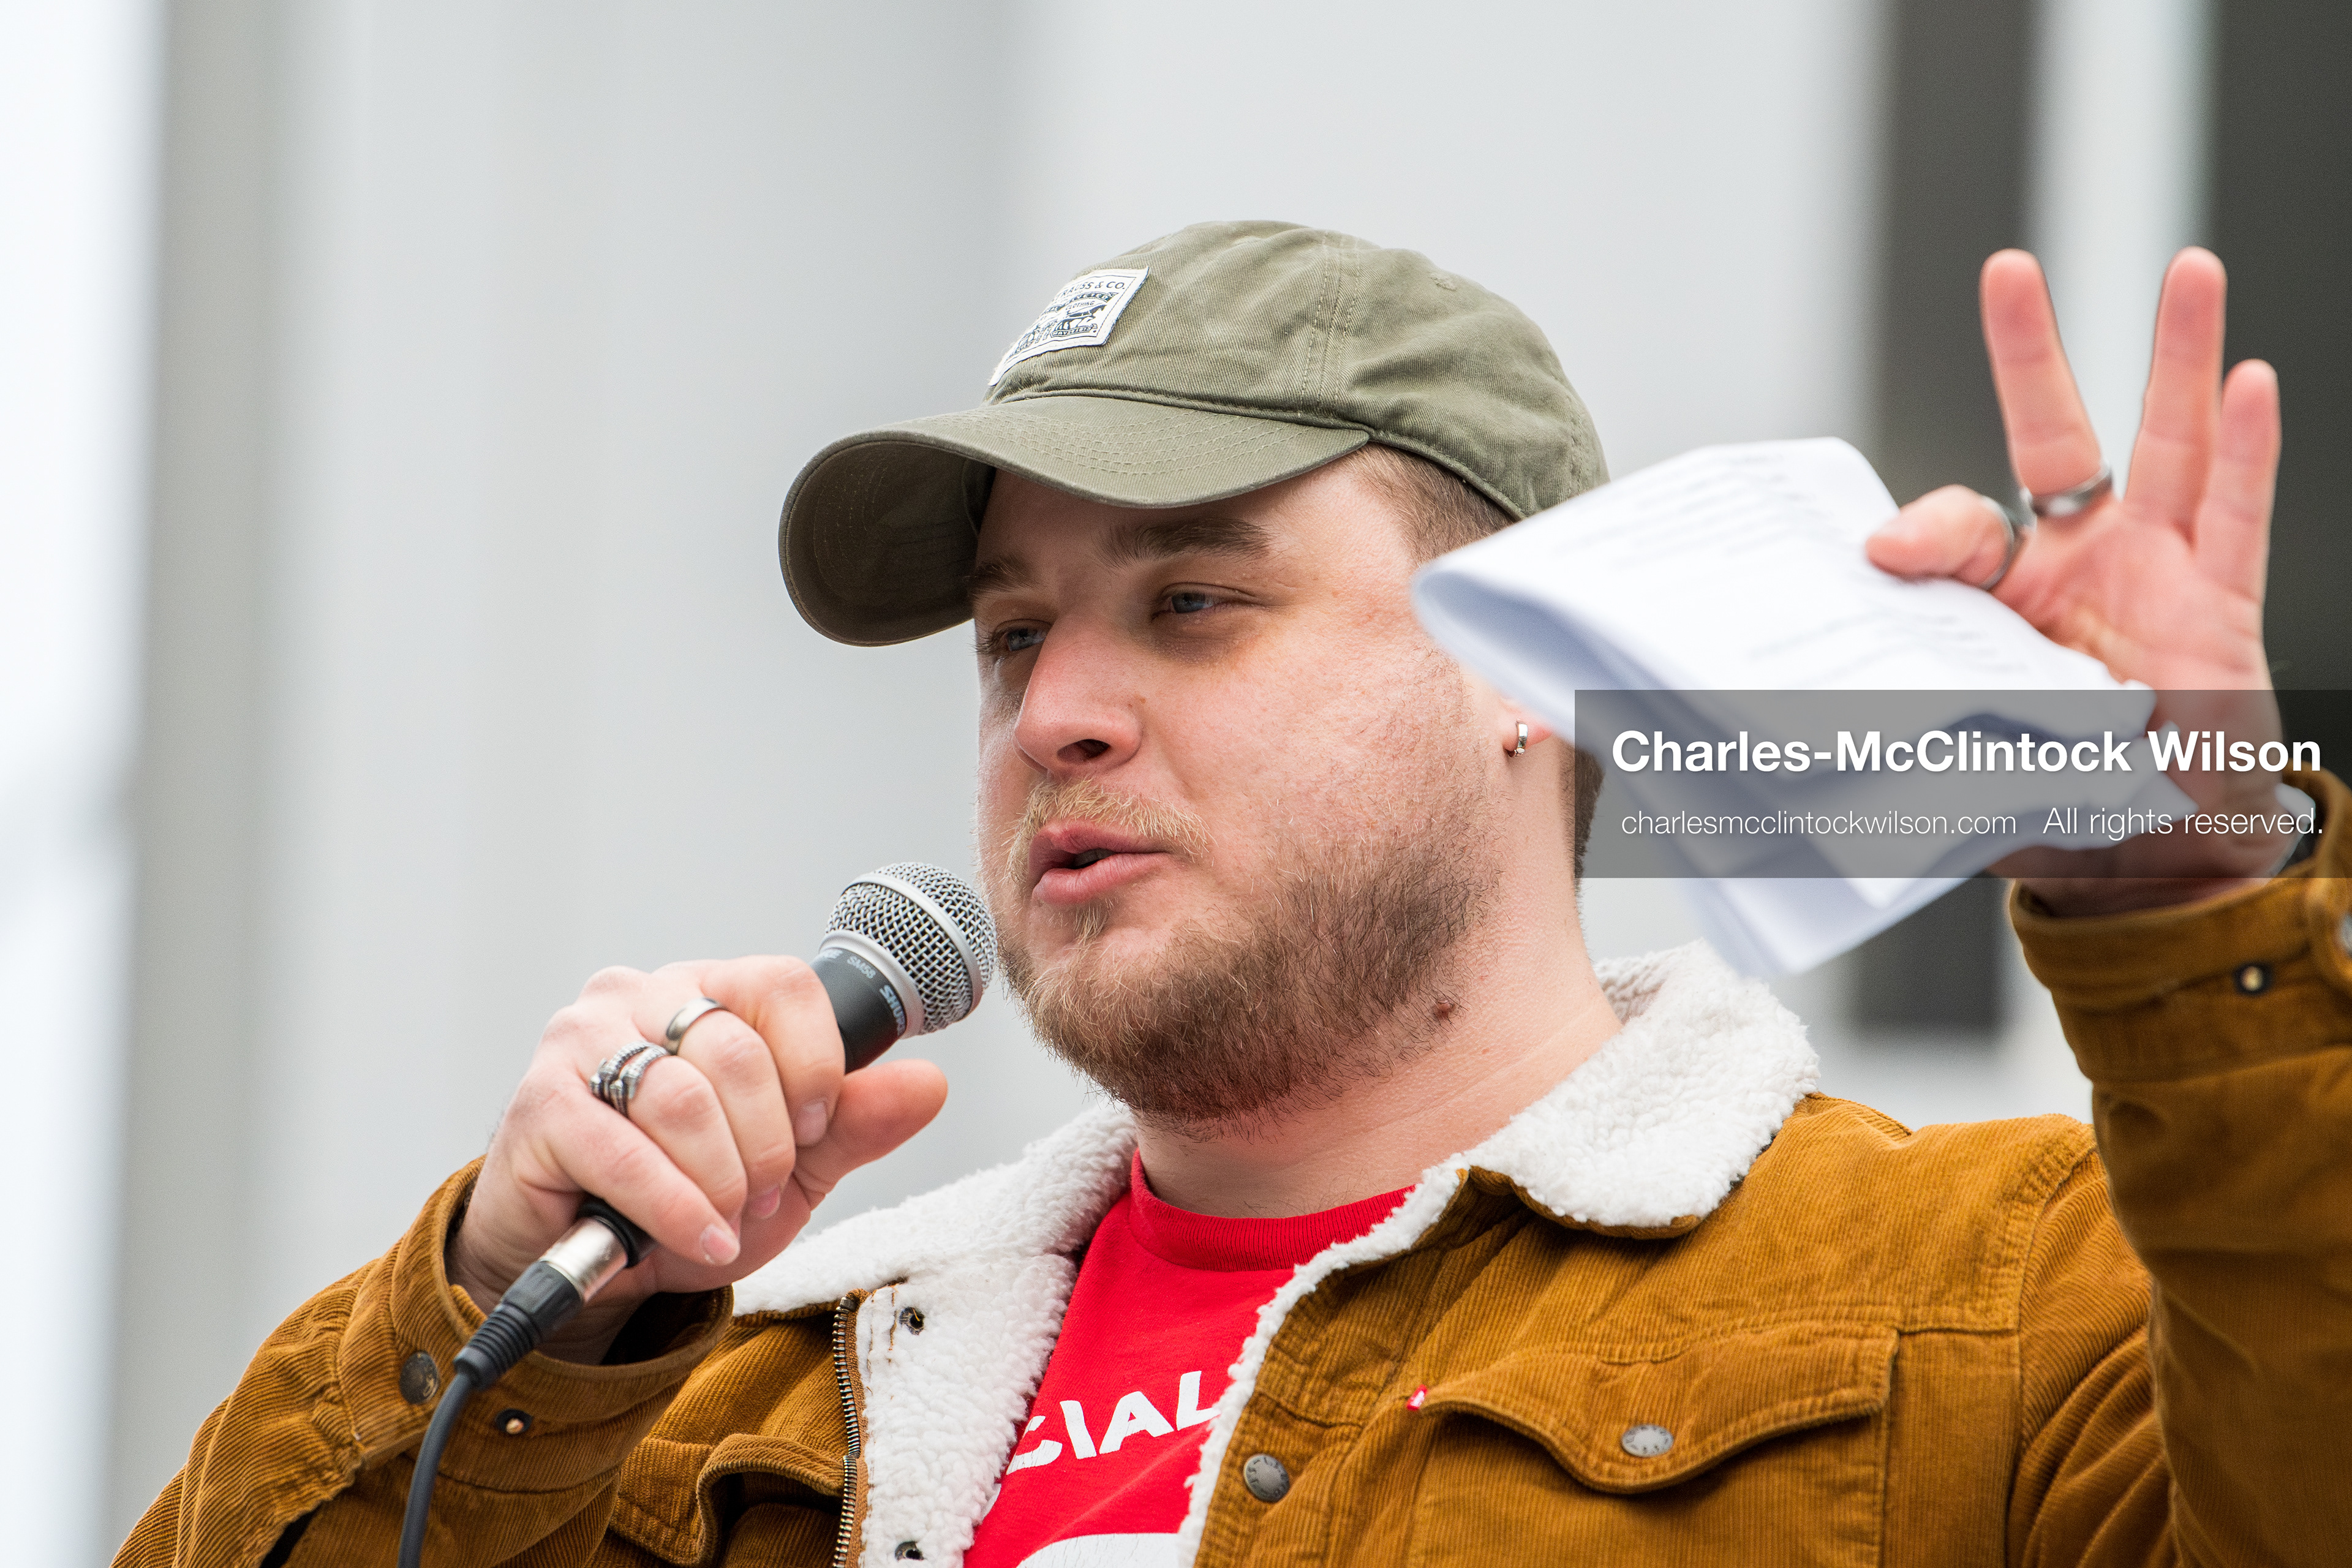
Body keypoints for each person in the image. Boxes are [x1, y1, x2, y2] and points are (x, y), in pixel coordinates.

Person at [121, 221, 2345, 1567]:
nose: (1057, 712)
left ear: (1533, 681)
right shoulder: (741, 1396)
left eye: (1193, 601)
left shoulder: (1996, 1298)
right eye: (1011, 636)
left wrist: (2202, 885)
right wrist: (508, 1302)